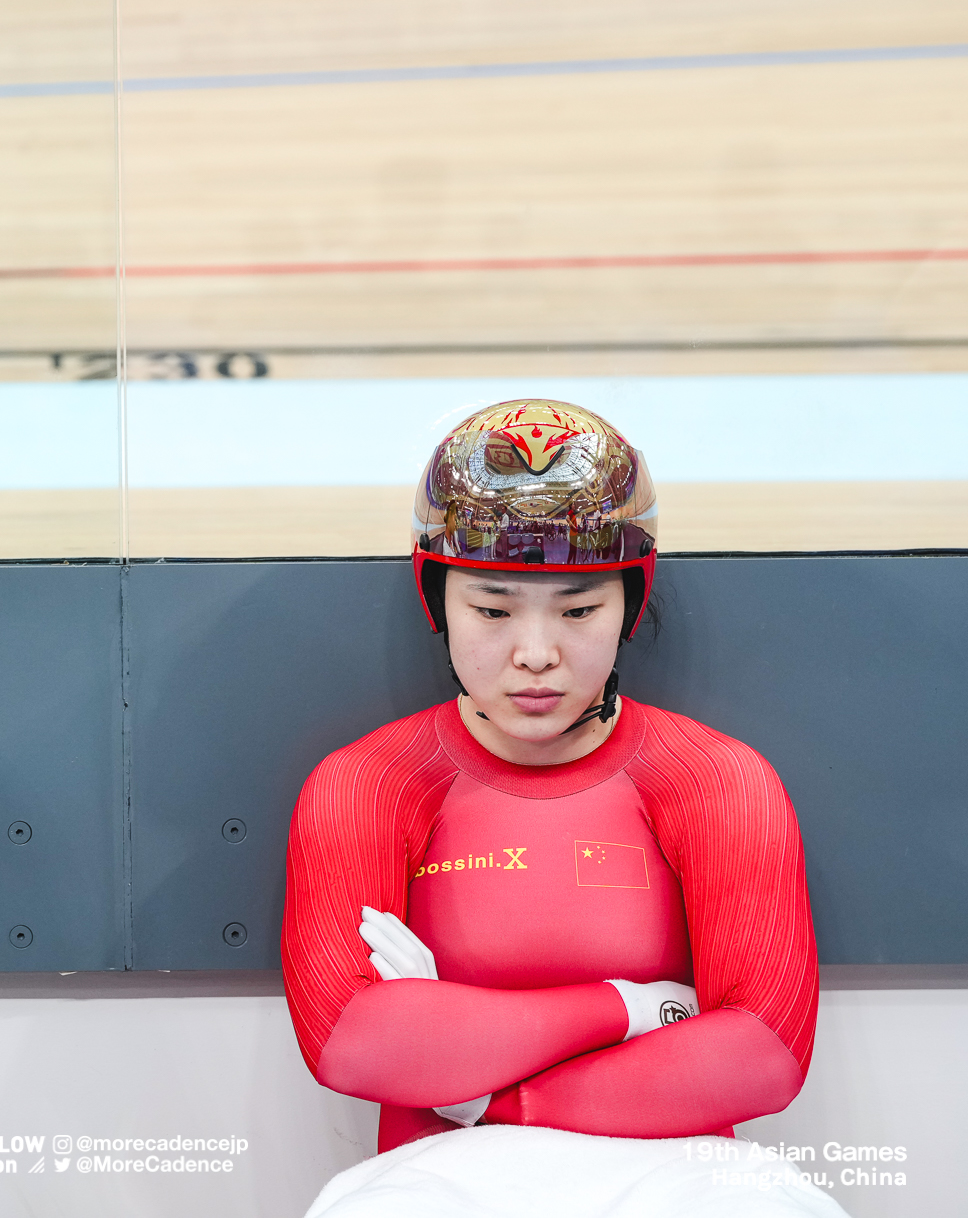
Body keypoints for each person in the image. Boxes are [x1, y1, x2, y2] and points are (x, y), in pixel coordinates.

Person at [281, 399, 817, 1154]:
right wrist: (627, 1008)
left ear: (632, 601)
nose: (536, 653)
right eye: (494, 611)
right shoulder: (368, 785)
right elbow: (351, 1043)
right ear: (437, 600)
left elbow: (764, 1057)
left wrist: (480, 1092)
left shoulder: (716, 781)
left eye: (579, 609)